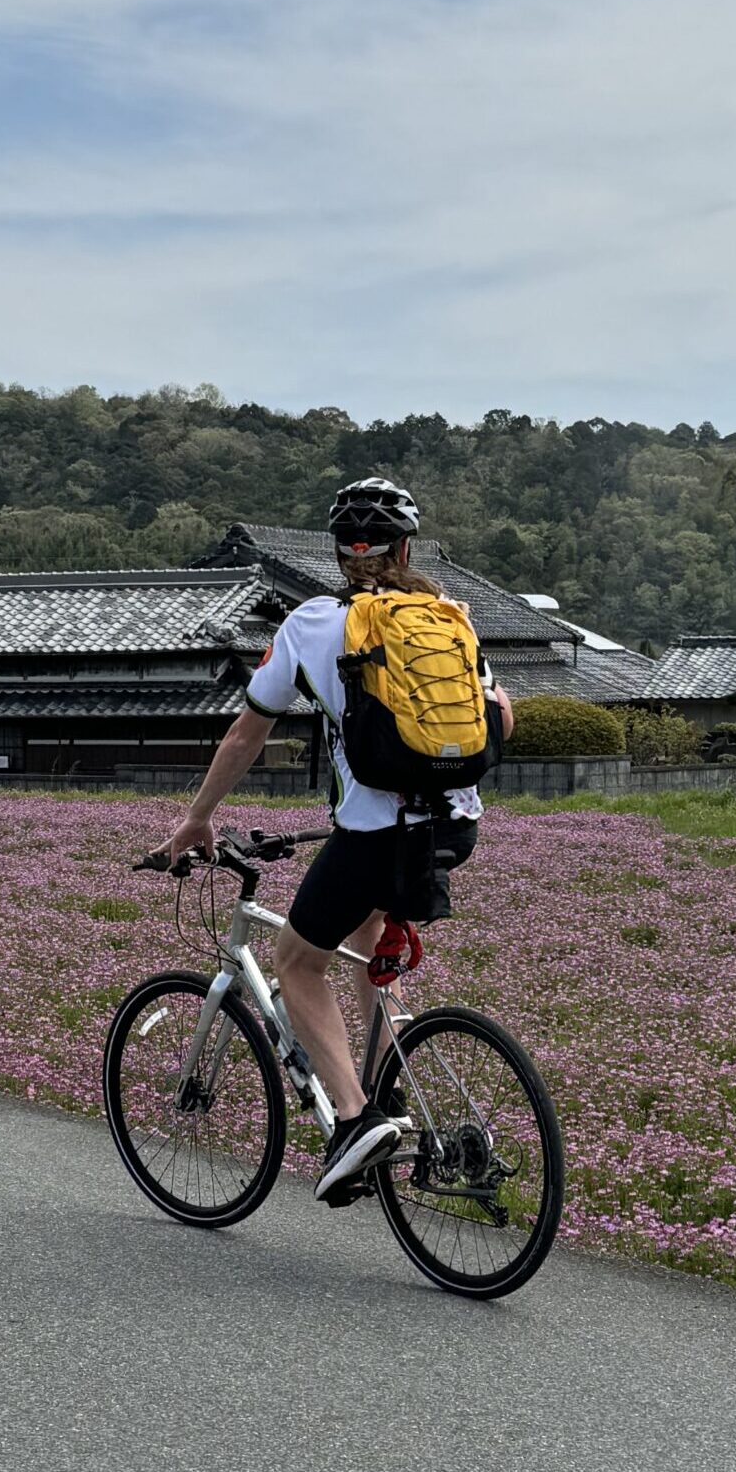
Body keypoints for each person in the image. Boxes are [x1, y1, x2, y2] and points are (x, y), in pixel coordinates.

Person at [154, 478, 514, 1202]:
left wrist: (197, 817)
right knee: (365, 942)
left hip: (375, 834)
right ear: (405, 547)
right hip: (454, 827)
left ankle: (356, 1121)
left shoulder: (313, 623)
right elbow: (500, 719)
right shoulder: (450, 620)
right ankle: (393, 1100)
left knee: (295, 962)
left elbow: (247, 731)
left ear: (340, 554)